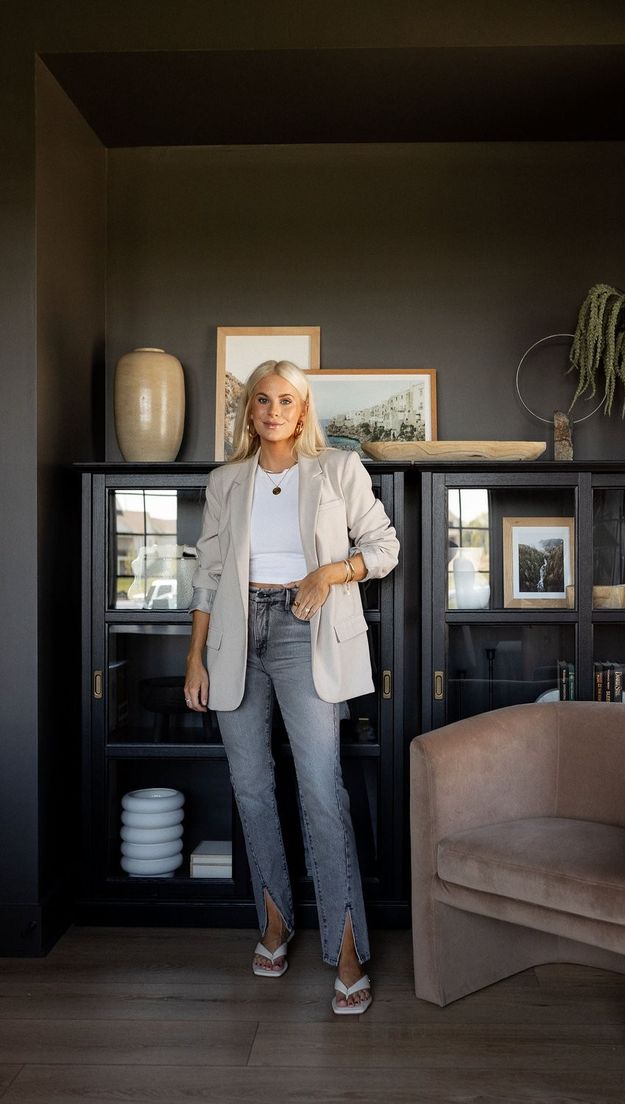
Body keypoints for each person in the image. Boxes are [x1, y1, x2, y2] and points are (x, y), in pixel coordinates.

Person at [184, 360, 399, 1014]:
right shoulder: (226, 481)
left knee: (319, 789)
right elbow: (209, 573)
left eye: (287, 400)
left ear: (302, 412)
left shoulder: (337, 469)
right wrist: (195, 656)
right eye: (262, 400)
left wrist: (329, 572)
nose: (273, 410)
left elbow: (385, 548)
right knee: (250, 787)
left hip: (304, 632)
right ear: (249, 412)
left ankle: (347, 947)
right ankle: (275, 921)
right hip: (233, 635)